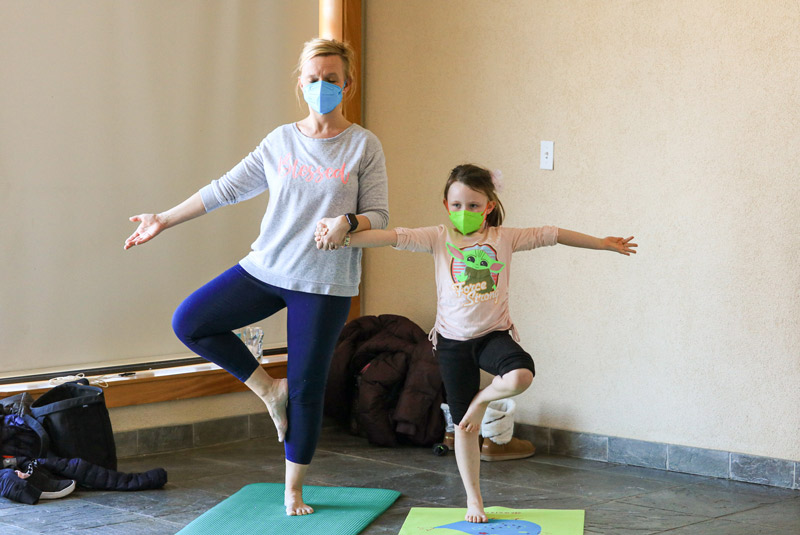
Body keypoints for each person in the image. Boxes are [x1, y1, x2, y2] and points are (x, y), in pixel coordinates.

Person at [124, 38, 388, 516]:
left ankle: (293, 489)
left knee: (307, 388)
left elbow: (378, 213)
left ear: (346, 85)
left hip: (324, 281)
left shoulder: (363, 145)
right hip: (267, 267)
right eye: (313, 79)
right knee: (191, 321)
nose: (322, 86)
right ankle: (269, 388)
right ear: (301, 84)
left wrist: (349, 222)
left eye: (332, 79)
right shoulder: (280, 141)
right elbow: (225, 188)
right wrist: (164, 217)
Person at [315, 163, 636, 523]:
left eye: (472, 205)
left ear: (488, 206)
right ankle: (474, 500)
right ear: (445, 205)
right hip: (452, 344)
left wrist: (603, 244)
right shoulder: (438, 237)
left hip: (493, 336)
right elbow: (392, 236)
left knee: (520, 377)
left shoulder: (505, 238)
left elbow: (553, 234)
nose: (463, 212)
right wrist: (343, 237)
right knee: (464, 427)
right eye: (456, 205)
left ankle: (482, 403)